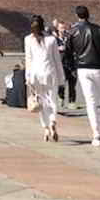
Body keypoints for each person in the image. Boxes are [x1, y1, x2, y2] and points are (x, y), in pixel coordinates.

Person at [68, 5, 100, 147]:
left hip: (83, 69)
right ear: (88, 14)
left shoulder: (72, 32)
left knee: (91, 103)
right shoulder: (99, 30)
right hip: (99, 68)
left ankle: (96, 135)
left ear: (77, 16)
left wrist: (72, 68)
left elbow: (68, 53)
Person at [24, 15, 64, 143]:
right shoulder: (51, 39)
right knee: (52, 100)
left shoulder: (28, 39)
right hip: (50, 73)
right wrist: (62, 79)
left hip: (36, 74)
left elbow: (28, 59)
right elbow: (57, 61)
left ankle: (46, 128)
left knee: (40, 102)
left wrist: (27, 77)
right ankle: (53, 121)